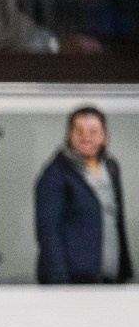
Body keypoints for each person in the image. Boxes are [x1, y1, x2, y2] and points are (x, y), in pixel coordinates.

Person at [36, 105, 133, 284]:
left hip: (110, 278)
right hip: (74, 280)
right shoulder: (55, 174)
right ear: (69, 135)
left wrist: (124, 272)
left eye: (93, 131)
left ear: (104, 136)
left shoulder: (111, 168)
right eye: (79, 131)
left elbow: (116, 222)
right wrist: (59, 282)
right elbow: (48, 232)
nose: (86, 137)